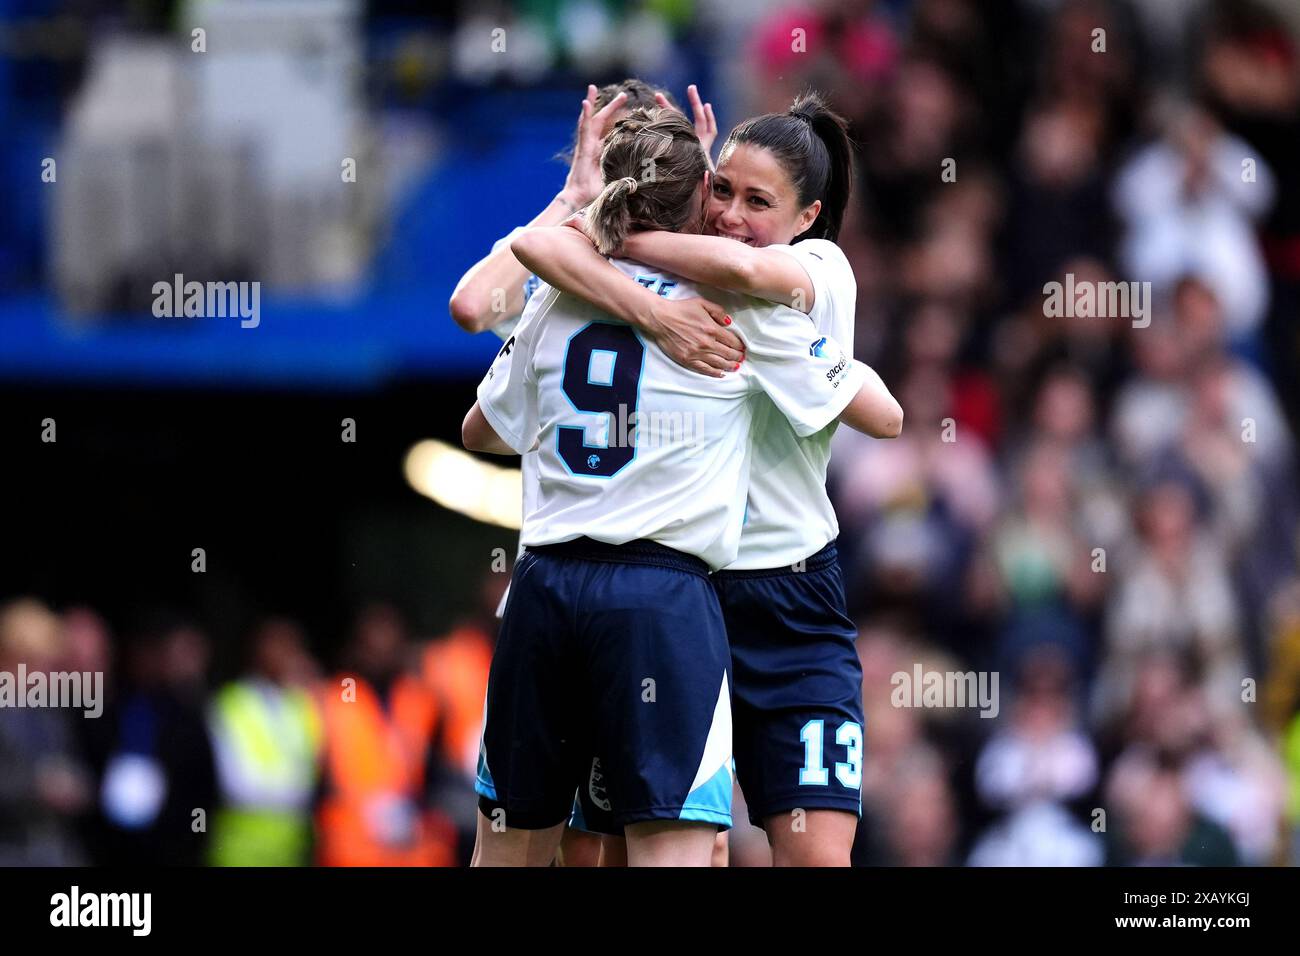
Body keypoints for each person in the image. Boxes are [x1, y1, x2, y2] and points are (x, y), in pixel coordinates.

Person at [462, 106, 900, 867]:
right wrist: (643, 288)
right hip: (677, 593)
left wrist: (601, 227)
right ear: (698, 187)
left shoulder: (806, 275)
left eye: (757, 203)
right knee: (659, 845)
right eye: (720, 190)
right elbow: (887, 416)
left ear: (809, 218)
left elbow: (498, 301)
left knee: (803, 855)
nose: (731, 216)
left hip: (775, 596)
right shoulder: (684, 295)